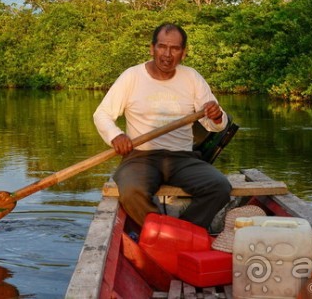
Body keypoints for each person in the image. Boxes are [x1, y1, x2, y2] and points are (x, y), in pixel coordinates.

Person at [93, 22, 231, 230]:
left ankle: (180, 233)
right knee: (130, 191)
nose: (167, 54)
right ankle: (160, 233)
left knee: (219, 187)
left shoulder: (192, 77)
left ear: (183, 53)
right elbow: (102, 114)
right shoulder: (132, 76)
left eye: (175, 48)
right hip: (141, 156)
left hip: (183, 157)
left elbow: (215, 125)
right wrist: (116, 136)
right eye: (162, 47)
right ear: (152, 49)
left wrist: (217, 116)